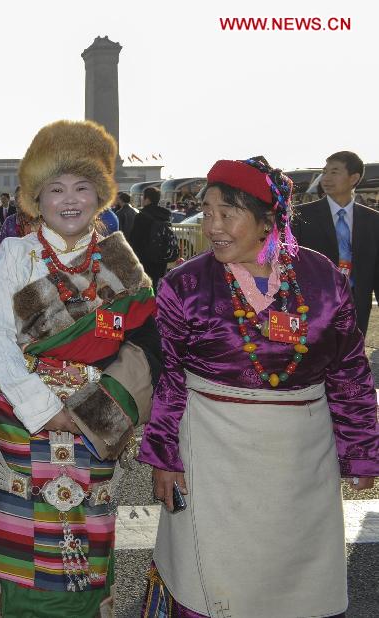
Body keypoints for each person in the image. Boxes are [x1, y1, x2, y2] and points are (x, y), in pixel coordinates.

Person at [138, 157, 379, 618]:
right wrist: (164, 457)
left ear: (269, 220)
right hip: (212, 449)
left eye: (227, 214)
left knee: (296, 581)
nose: (212, 226)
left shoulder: (322, 278)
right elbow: (169, 377)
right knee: (211, 577)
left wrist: (361, 450)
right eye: (207, 212)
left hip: (301, 458)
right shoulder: (185, 285)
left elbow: (349, 370)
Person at [0, 120, 160, 617]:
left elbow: (144, 340)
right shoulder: (16, 254)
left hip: (98, 414)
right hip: (28, 416)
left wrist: (94, 409)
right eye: (55, 189)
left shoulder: (119, 258)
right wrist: (44, 409)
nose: (69, 199)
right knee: (28, 538)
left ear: (101, 197)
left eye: (82, 187)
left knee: (92, 527)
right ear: (36, 200)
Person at [292, 150, 379, 335]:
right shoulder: (300, 216)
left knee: (352, 358)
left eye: (334, 171)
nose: (326, 177)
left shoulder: (373, 220)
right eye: (325, 171)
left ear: (353, 178)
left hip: (357, 306)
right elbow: (290, 262)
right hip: (313, 306)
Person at [128, 186, 178, 290]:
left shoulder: (141, 216)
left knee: (145, 288)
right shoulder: (165, 216)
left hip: (145, 259)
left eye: (143, 197)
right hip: (161, 258)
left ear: (147, 199)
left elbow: (134, 240)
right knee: (158, 286)